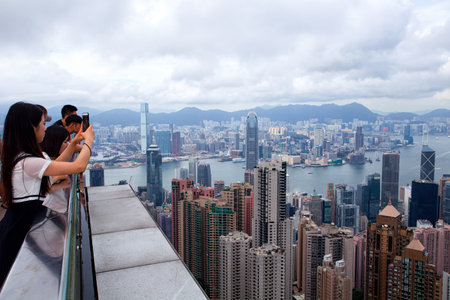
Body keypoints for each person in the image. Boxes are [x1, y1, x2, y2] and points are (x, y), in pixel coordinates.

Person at [0, 102, 94, 286]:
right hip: (16, 232)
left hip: (17, 225)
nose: (46, 128)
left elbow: (57, 165)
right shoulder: (28, 162)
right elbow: (78, 166)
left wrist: (74, 143)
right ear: (31, 128)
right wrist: (89, 141)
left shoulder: (23, 157)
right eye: (42, 123)